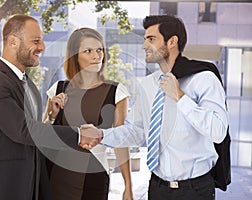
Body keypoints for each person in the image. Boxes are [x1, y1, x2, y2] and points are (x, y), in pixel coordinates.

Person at [80, 15, 229, 200]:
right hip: (157, 187)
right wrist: (102, 135)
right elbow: (137, 131)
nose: (144, 46)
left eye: (151, 39)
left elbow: (218, 131)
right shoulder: (149, 84)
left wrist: (180, 97)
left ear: (172, 41)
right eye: (144, 39)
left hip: (195, 190)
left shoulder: (204, 79)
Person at [0, 14, 99, 200]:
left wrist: (50, 117)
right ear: (13, 41)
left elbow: (32, 134)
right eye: (36, 41)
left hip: (31, 184)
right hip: (4, 186)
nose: (42, 47)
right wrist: (78, 135)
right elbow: (23, 130)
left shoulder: (28, 83)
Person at [42, 28, 133, 200]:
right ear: (75, 56)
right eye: (88, 51)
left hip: (94, 175)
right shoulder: (58, 89)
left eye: (99, 49)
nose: (96, 56)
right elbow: (42, 137)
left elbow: (121, 140)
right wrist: (52, 116)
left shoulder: (116, 92)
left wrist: (128, 185)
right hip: (55, 175)